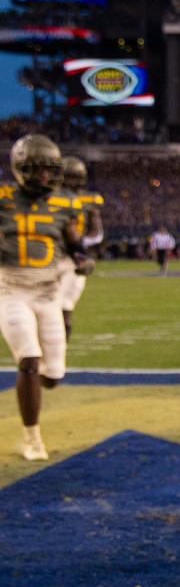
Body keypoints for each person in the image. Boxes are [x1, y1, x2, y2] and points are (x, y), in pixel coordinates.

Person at [1, 134, 94, 461]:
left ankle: (34, 390)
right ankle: (32, 438)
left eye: (49, 170)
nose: (45, 176)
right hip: (11, 291)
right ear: (21, 167)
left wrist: (82, 257)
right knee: (28, 359)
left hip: (48, 294)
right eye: (37, 169)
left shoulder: (64, 201)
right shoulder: (4, 198)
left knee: (52, 377)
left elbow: (73, 242)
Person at [56, 156, 103, 340]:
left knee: (65, 303)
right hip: (51, 257)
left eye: (74, 177)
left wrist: (78, 244)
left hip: (74, 258)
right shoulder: (49, 199)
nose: (70, 182)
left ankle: (62, 339)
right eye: (67, 177)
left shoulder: (89, 201)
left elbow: (97, 234)